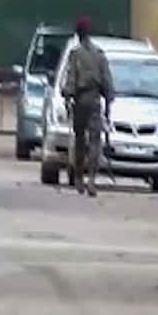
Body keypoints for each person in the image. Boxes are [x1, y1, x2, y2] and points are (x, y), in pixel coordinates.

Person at [62, 15, 114, 196]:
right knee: (94, 142)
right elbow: (107, 81)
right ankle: (91, 179)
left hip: (81, 100)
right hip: (95, 100)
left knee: (80, 140)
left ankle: (79, 178)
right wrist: (108, 103)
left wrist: (67, 96)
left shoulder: (75, 54)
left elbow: (71, 78)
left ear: (78, 34)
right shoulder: (99, 55)